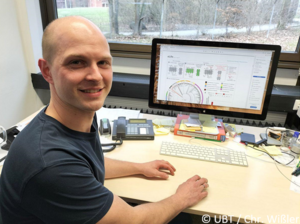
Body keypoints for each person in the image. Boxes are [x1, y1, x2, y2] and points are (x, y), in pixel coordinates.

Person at [0, 16, 208, 224]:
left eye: (103, 62)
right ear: (47, 71)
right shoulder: (51, 165)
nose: (96, 76)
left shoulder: (75, 114)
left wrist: (139, 167)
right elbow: (134, 221)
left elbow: (88, 163)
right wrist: (182, 198)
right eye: (76, 62)